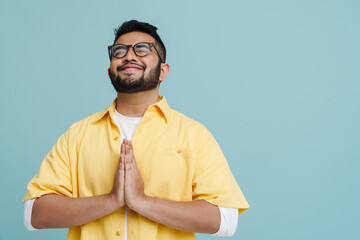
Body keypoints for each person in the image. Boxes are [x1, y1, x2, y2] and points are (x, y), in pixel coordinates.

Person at [23, 20, 249, 240]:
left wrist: (141, 201)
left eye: (142, 49)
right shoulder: (77, 135)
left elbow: (226, 220)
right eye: (119, 51)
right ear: (110, 72)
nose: (129, 55)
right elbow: (33, 214)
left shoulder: (194, 135)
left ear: (163, 71)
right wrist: (111, 200)